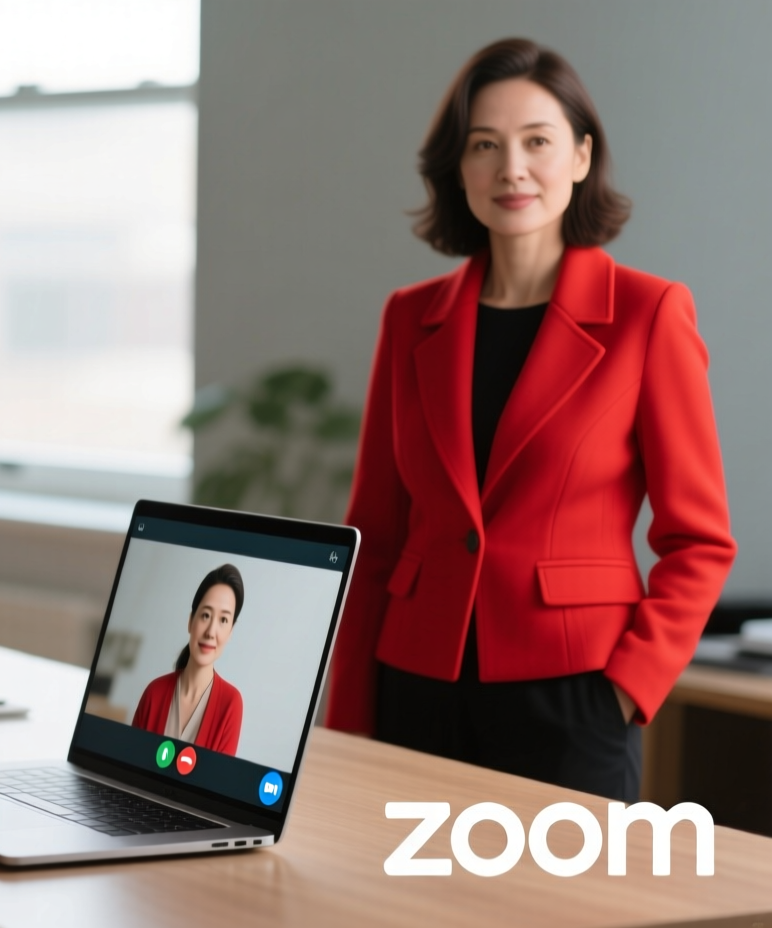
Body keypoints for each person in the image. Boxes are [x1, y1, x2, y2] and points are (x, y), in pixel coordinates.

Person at [325, 38, 735, 802]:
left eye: (537, 142)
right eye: (485, 146)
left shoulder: (648, 315)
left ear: (581, 156)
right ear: (460, 168)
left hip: (573, 697)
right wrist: (348, 718)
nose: (512, 168)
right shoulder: (409, 319)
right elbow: (375, 536)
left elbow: (699, 540)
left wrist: (625, 691)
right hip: (413, 687)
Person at [130, 565, 245, 755]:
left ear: (231, 632)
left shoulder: (231, 703)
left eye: (223, 620)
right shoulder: (154, 693)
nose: (211, 632)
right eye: (206, 615)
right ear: (191, 621)